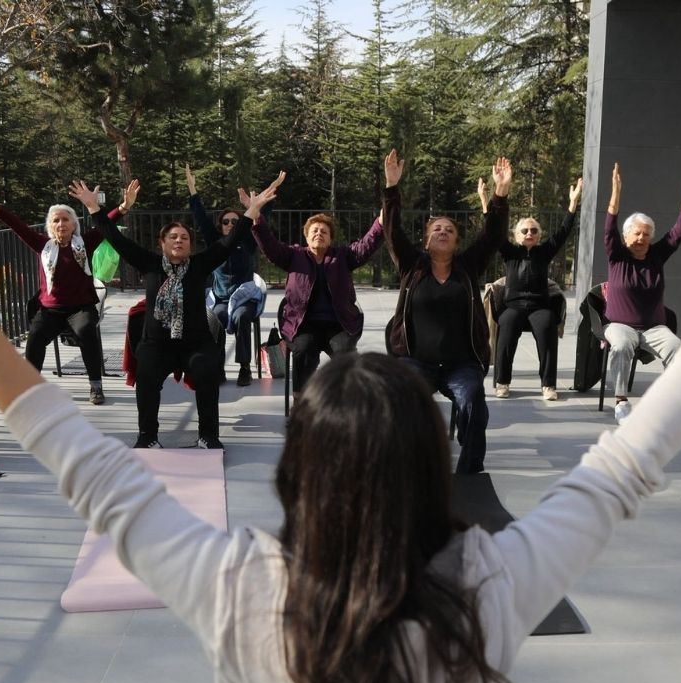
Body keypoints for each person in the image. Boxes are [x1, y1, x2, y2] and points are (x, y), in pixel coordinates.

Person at [0, 172, 681, 683]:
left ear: (298, 474)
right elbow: (625, 464)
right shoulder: (491, 590)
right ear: (431, 470)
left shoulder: (234, 589)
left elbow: (84, 462)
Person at [79, 179, 276, 450]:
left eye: (184, 238)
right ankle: (147, 436)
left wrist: (253, 210)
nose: (179, 241)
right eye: (173, 237)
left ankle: (208, 435)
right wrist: (94, 208)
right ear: (162, 243)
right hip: (156, 345)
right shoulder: (149, 263)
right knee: (147, 376)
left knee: (208, 372)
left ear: (190, 245)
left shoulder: (200, 264)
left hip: (196, 344)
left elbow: (231, 240)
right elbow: (115, 238)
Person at [384, 150, 510, 475]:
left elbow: (493, 236)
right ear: (426, 241)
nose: (443, 232)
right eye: (437, 229)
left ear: (456, 242)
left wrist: (499, 193)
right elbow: (392, 232)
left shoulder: (468, 267)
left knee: (474, 400)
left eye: (450, 230)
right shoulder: (412, 266)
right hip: (416, 361)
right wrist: (391, 187)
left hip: (461, 364)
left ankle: (470, 469)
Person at [0, 169, 128, 405]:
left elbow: (107, 223)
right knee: (35, 337)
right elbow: (15, 223)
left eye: (65, 219)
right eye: (56, 220)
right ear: (50, 226)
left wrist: (124, 206)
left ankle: (96, 385)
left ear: (74, 224)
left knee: (87, 331)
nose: (61, 223)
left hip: (81, 308)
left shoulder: (85, 242)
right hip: (50, 310)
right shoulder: (42, 245)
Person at [250, 172, 384, 395]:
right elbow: (269, 244)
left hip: (339, 324)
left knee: (345, 354)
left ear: (330, 238)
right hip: (302, 324)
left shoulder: (343, 256)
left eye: (324, 231)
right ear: (306, 237)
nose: (319, 234)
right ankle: (301, 400)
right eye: (315, 231)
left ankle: (345, 400)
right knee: (303, 350)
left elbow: (368, 243)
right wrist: (256, 216)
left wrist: (382, 219)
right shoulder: (294, 256)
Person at [602, 162, 681, 423]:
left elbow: (678, 231)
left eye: (646, 234)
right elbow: (609, 226)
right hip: (619, 325)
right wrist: (616, 193)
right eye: (637, 233)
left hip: (653, 328)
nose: (641, 238)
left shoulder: (656, 256)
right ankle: (621, 402)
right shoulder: (617, 255)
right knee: (621, 346)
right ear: (626, 236)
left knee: (677, 348)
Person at [492, 178, 583, 400]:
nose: (529, 233)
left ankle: (548, 385)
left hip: (539, 307)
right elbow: (493, 231)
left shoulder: (544, 252)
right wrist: (489, 205)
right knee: (506, 327)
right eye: (524, 230)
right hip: (513, 306)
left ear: (539, 235)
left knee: (547, 328)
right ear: (517, 235)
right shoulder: (510, 252)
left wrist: (573, 204)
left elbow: (563, 232)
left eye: (533, 230)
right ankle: (502, 382)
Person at [186, 165, 265, 387]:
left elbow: (263, 219)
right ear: (220, 226)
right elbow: (200, 217)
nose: (230, 224)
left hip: (244, 298)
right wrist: (192, 190)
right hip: (221, 298)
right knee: (215, 318)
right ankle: (217, 366)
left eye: (235, 221)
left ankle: (244, 367)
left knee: (241, 317)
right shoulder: (215, 242)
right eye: (226, 222)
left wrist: (258, 205)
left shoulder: (248, 241)